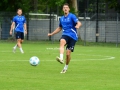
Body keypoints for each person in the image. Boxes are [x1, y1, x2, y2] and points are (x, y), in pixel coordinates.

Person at [48, 3, 82, 73]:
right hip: (65, 34)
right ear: (63, 9)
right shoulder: (62, 19)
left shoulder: (72, 16)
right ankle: (61, 58)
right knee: (62, 41)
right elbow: (60, 28)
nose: (65, 9)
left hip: (73, 36)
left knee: (68, 54)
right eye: (64, 7)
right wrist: (52, 33)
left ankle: (65, 67)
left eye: (66, 7)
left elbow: (79, 22)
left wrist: (78, 26)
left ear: (69, 9)